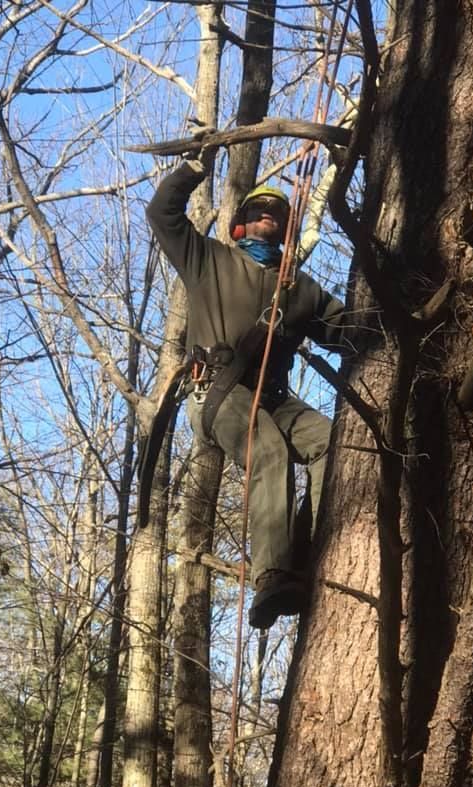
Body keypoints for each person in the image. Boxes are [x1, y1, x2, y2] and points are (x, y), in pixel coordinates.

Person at [146, 156, 348, 630]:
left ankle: (302, 554)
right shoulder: (209, 260)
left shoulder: (300, 290)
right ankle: (271, 574)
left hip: (273, 397)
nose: (268, 219)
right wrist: (193, 168)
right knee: (270, 450)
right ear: (239, 225)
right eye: (258, 212)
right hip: (217, 390)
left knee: (334, 443)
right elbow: (162, 215)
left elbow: (349, 330)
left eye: (276, 217)